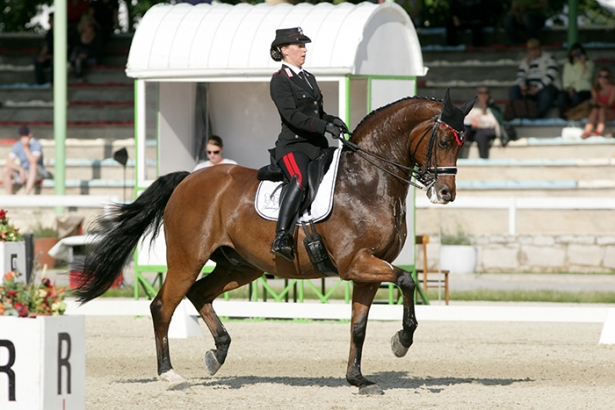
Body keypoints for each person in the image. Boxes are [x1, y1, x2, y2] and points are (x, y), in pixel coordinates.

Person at [267, 27, 349, 261]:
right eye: (299, 45)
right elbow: (292, 116)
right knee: (300, 179)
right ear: (284, 50)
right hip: (294, 147)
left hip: (317, 146)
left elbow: (317, 113)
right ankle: (281, 236)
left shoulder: (307, 77)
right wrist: (324, 126)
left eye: (305, 45)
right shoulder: (280, 80)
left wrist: (332, 120)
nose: (304, 50)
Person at [508, 38, 560, 118]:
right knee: (513, 90)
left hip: (545, 86)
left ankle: (538, 115)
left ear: (540, 48)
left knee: (546, 94)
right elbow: (520, 74)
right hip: (529, 86)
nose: (534, 52)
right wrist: (523, 86)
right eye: (532, 50)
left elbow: (551, 75)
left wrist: (537, 88)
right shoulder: (526, 60)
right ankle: (519, 113)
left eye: (536, 49)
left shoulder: (549, 58)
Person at [459, 87, 504, 159]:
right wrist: (473, 121)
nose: (483, 95)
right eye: (481, 93)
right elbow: (466, 118)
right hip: (473, 129)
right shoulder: (474, 107)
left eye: (485, 93)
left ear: (489, 95)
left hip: (487, 130)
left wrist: (479, 122)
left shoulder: (493, 108)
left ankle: (483, 158)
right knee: (463, 132)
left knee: (480, 135)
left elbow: (493, 122)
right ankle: (459, 157)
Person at [1, 126, 46, 195]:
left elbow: (33, 161)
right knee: (5, 170)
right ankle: (9, 196)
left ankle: (26, 193)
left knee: (33, 165)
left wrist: (25, 147)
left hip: (37, 172)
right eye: (22, 135)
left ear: (30, 135)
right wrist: (20, 169)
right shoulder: (17, 145)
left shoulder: (36, 144)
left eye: (25, 135)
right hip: (24, 172)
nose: (23, 137)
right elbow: (9, 162)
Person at [558, 43, 594, 118]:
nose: (575, 56)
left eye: (577, 54)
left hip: (584, 90)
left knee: (576, 97)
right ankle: (562, 116)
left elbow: (588, 77)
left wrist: (583, 63)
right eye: (573, 54)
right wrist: (569, 88)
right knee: (561, 96)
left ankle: (574, 115)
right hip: (571, 89)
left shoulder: (589, 63)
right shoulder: (568, 65)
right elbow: (566, 80)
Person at [582, 68, 615, 138]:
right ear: (597, 78)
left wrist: (598, 103)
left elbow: (609, 104)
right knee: (596, 110)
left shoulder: (613, 88)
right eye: (600, 76)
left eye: (605, 77)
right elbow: (595, 103)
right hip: (599, 112)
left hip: (611, 112)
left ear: (609, 78)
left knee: (601, 109)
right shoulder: (595, 88)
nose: (602, 79)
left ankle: (598, 132)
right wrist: (597, 103)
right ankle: (587, 132)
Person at [69, 15, 103, 81]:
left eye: (92, 25)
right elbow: (74, 48)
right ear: (83, 27)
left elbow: (98, 51)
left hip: (92, 57)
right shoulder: (78, 36)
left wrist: (86, 55)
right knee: (77, 54)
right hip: (78, 57)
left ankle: (78, 75)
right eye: (88, 25)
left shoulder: (97, 36)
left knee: (78, 60)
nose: (91, 27)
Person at [34, 13, 54, 85]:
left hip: (58, 58)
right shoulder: (49, 33)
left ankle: (53, 83)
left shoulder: (64, 33)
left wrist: (47, 57)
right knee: (37, 59)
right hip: (49, 56)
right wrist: (42, 56)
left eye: (51, 20)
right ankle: (40, 84)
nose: (48, 22)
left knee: (54, 63)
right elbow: (46, 46)